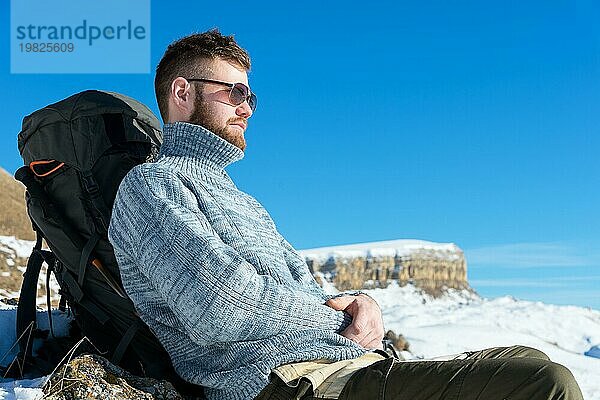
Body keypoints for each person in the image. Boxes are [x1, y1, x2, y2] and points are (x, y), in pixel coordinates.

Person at [108, 29, 584, 400]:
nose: (247, 108)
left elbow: (301, 293)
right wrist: (337, 319)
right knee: (542, 383)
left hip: (342, 368)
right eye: (234, 93)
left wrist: (359, 303)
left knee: (525, 358)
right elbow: (221, 308)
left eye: (250, 97)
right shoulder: (153, 187)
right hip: (287, 386)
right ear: (182, 91)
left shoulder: (244, 202)